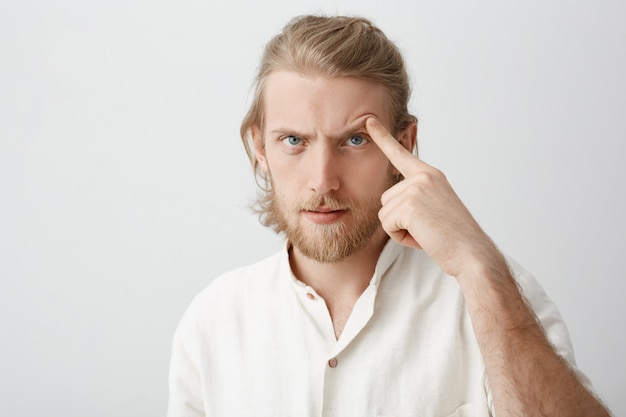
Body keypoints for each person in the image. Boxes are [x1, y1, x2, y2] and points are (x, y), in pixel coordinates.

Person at [167, 15, 611, 417]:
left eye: (356, 141)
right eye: (294, 141)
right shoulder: (214, 320)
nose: (323, 181)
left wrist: (478, 265)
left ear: (404, 145)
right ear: (259, 148)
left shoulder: (493, 295)